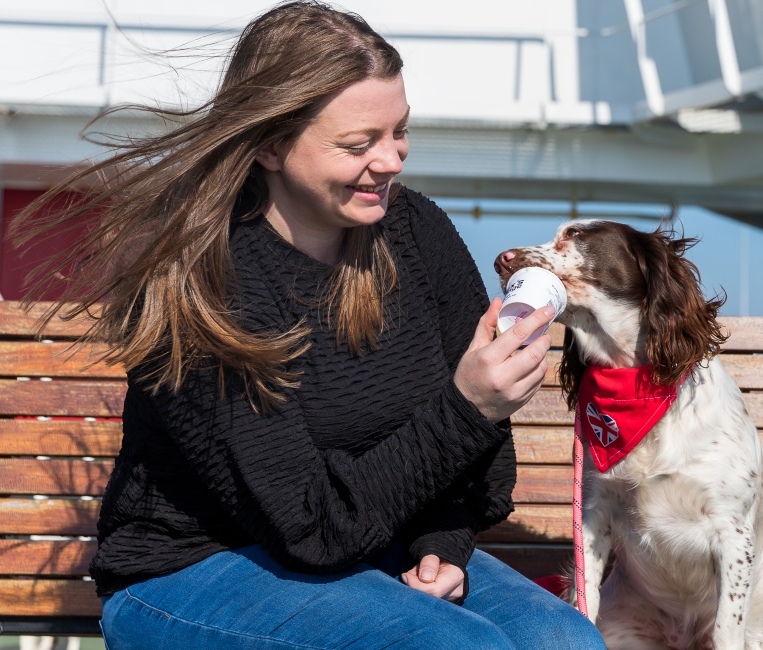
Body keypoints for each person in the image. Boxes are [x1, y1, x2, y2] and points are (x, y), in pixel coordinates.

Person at [16, 3, 606, 649]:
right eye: (358, 144)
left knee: (561, 639)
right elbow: (309, 527)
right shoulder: (200, 278)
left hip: (372, 546)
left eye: (399, 132)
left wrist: (444, 540)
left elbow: (480, 465)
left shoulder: (417, 232)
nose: (391, 160)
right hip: (192, 572)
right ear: (269, 143)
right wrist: (469, 405)